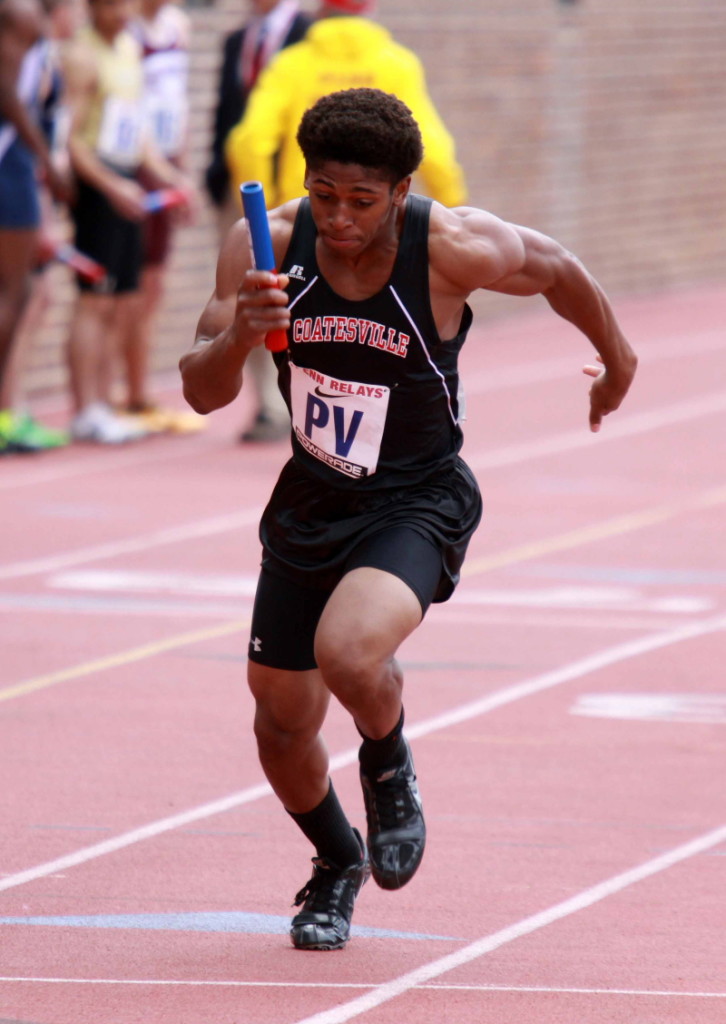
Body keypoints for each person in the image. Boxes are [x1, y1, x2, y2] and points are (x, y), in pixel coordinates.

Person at [180, 88, 637, 951]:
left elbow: (558, 268)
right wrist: (239, 335)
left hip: (417, 500)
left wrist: (617, 360)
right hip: (311, 502)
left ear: (400, 190)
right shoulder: (266, 243)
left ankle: (387, 763)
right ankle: (335, 860)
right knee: (278, 724)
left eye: (362, 201)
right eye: (324, 196)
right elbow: (200, 393)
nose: (340, 219)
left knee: (348, 650)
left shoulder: (452, 246)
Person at [225, 0, 468, 444]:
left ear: (320, 15)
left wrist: (267, 217)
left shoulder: (294, 61)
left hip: (304, 221)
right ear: (369, 13)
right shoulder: (395, 62)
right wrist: (452, 207)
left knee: (269, 311)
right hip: (377, 226)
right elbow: (432, 138)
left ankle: (274, 407)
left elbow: (249, 140)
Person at [62, 0, 191, 444]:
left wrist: (172, 178)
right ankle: (86, 408)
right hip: (99, 186)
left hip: (128, 178)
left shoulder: (128, 49)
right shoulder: (80, 55)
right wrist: (110, 186)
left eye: (127, 6)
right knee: (94, 299)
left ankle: (105, 400)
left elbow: (138, 132)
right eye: (113, 5)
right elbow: (71, 140)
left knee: (124, 299)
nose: (122, 14)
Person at [206, 0, 312, 444]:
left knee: (299, 297)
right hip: (241, 189)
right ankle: (267, 405)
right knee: (247, 293)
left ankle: (304, 401)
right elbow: (226, 111)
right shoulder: (236, 40)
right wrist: (216, 174)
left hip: (290, 189)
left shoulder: (309, 35)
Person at [123, 0, 202, 434]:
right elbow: (131, 110)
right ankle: (132, 393)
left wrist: (181, 169)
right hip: (139, 165)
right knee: (132, 287)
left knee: (153, 284)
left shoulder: (177, 24)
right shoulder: (128, 29)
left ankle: (138, 392)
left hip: (166, 162)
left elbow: (180, 104)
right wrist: (164, 172)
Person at [0, 0, 71, 454]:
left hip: (18, 163)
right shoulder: (20, 12)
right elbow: (6, 90)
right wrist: (48, 162)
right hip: (9, 163)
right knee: (15, 291)